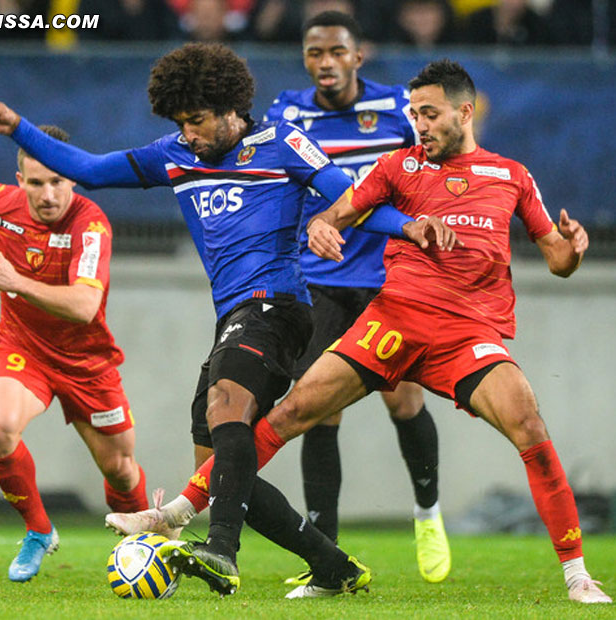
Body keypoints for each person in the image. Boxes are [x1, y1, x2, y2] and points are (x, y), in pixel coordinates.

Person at [0, 43, 449, 599]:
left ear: (230, 108)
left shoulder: (282, 144)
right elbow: (89, 171)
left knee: (225, 407)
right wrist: (16, 127)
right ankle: (332, 565)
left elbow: (352, 198)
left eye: (196, 120)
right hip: (233, 318)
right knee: (219, 474)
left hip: (280, 308)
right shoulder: (174, 155)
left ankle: (221, 551)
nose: (188, 132)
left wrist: (408, 226)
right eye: (181, 122)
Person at [168, 58, 612, 603]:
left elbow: (557, 260)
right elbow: (338, 210)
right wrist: (318, 228)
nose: (419, 124)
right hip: (393, 321)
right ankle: (183, 510)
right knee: (291, 414)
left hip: (466, 333)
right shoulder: (398, 167)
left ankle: (576, 574)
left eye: (430, 114)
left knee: (529, 424)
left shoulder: (511, 176)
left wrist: (574, 250)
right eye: (413, 114)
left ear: (464, 112)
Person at [264, 10, 450, 585]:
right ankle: (327, 554)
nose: (326, 63)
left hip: (390, 278)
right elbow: (274, 179)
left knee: (404, 401)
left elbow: (439, 168)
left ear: (357, 56)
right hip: (318, 280)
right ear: (305, 58)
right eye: (315, 53)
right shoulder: (286, 114)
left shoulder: (398, 108)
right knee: (319, 408)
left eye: (336, 52)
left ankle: (427, 511)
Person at [0, 125, 149, 583]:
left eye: (57, 181)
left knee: (122, 471)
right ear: (19, 180)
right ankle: (38, 530)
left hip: (87, 362)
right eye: (35, 183)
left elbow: (85, 306)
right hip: (23, 349)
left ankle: (143, 540)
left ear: (73, 178)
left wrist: (17, 282)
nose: (47, 194)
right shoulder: (0, 203)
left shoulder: (91, 225)